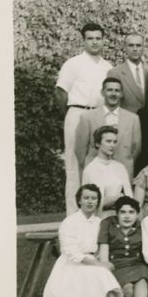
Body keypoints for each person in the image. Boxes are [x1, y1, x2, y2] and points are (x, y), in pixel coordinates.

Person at [43, 184, 134, 297]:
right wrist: (98, 264)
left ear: (98, 201)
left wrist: (100, 261)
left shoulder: (100, 222)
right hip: (72, 265)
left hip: (93, 261)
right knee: (98, 275)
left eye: (94, 198)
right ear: (79, 200)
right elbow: (70, 251)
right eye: (86, 198)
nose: (90, 202)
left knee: (99, 275)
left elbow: (102, 246)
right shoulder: (69, 222)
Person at [55, 23, 112, 211]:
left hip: (99, 115)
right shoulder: (73, 64)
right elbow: (60, 92)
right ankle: (73, 216)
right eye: (90, 38)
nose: (94, 42)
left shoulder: (108, 67)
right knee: (74, 165)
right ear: (84, 40)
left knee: (97, 164)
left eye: (98, 38)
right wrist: (71, 115)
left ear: (103, 40)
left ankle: (96, 215)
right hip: (77, 113)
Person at [97, 195, 148, 297]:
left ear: (137, 214)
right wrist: (105, 265)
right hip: (117, 265)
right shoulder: (107, 224)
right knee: (128, 290)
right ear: (117, 213)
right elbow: (104, 249)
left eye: (131, 212)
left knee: (142, 281)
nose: (127, 216)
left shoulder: (142, 226)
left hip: (137, 263)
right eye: (123, 212)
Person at [75, 76, 141, 179]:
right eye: (109, 90)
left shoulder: (133, 119)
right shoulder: (87, 117)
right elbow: (80, 149)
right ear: (102, 92)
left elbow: (136, 149)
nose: (113, 94)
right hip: (95, 173)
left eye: (117, 90)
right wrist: (88, 168)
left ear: (122, 94)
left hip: (122, 173)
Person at [81, 126, 133, 215]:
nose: (112, 145)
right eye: (108, 141)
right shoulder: (90, 170)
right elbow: (88, 202)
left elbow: (129, 197)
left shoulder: (120, 167)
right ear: (98, 143)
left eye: (114, 142)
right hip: (98, 217)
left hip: (120, 216)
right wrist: (116, 198)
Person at [108, 32, 148, 114]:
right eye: (131, 45)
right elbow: (112, 104)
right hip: (127, 123)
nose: (135, 49)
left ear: (143, 47)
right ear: (125, 47)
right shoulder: (115, 73)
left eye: (138, 45)